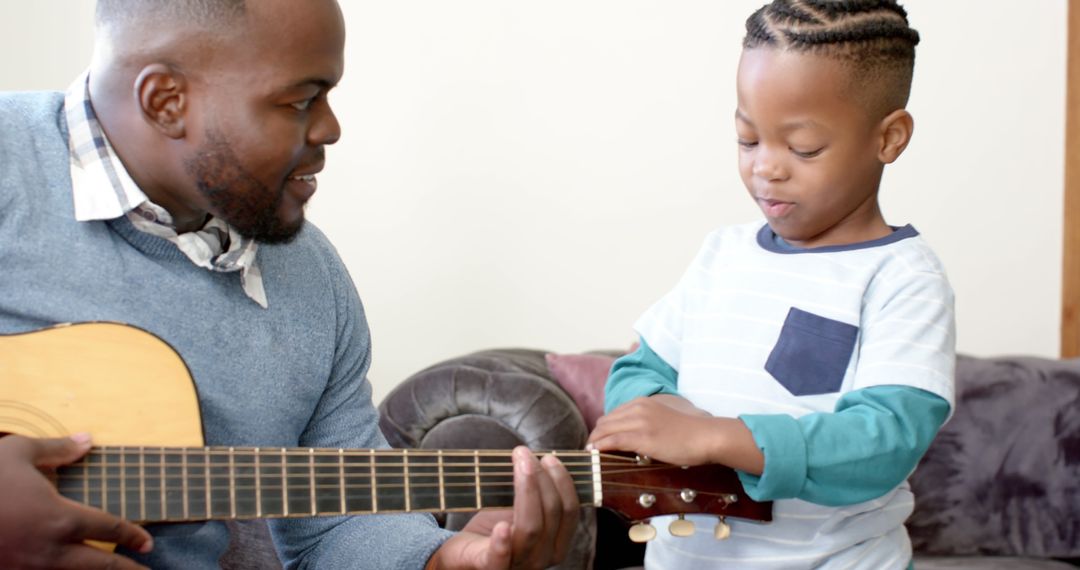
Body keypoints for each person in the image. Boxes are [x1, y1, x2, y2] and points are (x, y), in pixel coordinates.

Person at [0, 1, 579, 568]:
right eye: (301, 101)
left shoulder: (311, 277)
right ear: (166, 102)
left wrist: (445, 560)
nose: (331, 128)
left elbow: (342, 519)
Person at [587, 1, 954, 569]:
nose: (767, 167)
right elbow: (640, 370)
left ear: (889, 138)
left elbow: (883, 441)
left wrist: (715, 437)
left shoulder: (902, 277)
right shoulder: (723, 255)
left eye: (803, 148)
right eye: (747, 138)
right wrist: (663, 415)